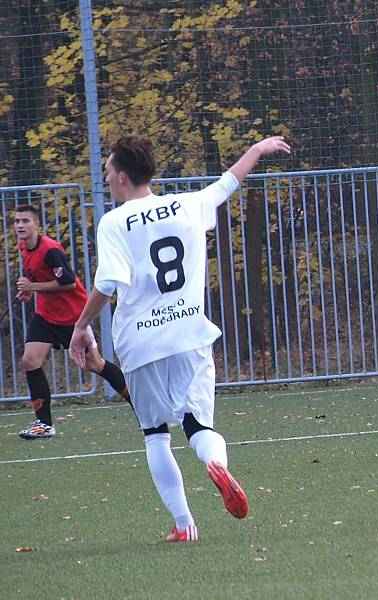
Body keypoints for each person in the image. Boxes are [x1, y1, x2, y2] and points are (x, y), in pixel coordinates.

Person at [69, 134, 291, 543]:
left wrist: (81, 327)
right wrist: (258, 150)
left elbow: (108, 282)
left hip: (139, 342)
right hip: (189, 332)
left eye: (107, 171)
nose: (106, 178)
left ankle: (184, 524)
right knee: (198, 425)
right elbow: (229, 182)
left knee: (155, 433)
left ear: (120, 176)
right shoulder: (187, 205)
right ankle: (216, 464)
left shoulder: (115, 221)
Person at [13, 205, 130, 439]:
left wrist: (33, 287)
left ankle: (145, 407)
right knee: (30, 360)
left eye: (25, 221)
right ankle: (44, 424)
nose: (20, 226)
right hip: (46, 316)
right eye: (16, 221)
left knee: (94, 364)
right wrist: (29, 291)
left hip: (73, 317)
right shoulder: (23, 247)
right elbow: (37, 277)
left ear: (36, 224)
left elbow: (67, 282)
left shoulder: (51, 250)